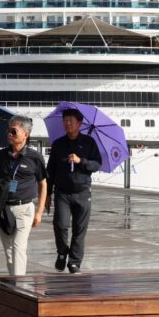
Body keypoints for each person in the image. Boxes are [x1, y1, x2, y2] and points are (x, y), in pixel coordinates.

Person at [0, 116, 47, 275]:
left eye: (14, 131)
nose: (9, 134)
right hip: (2, 209)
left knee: (18, 247)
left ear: (26, 134)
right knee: (9, 250)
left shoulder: (35, 157)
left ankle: (20, 286)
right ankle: (13, 283)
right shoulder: (0, 155)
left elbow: (43, 184)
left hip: (24, 208)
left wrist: (39, 212)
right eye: (8, 130)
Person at [47, 107, 102, 273]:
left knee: (79, 229)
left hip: (83, 192)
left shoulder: (89, 143)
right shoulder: (58, 144)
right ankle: (62, 252)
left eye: (71, 120)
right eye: (65, 120)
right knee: (60, 225)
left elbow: (96, 164)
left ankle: (74, 262)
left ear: (79, 123)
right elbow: (50, 170)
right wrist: (48, 193)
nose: (67, 123)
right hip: (62, 193)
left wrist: (81, 161)